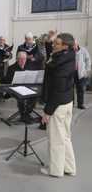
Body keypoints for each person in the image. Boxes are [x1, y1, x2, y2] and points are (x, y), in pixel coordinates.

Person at [41, 33, 76, 178]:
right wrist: (50, 40)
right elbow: (52, 55)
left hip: (58, 104)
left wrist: (48, 112)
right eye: (54, 43)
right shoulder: (68, 55)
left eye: (57, 43)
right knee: (65, 137)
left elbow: (57, 89)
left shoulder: (60, 65)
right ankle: (69, 168)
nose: (53, 45)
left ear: (65, 46)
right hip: (67, 102)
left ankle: (55, 171)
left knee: (56, 139)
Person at [4, 52, 37, 122]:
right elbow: (7, 81)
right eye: (20, 59)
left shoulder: (29, 67)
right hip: (15, 89)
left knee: (34, 96)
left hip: (27, 88)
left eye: (24, 59)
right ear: (17, 59)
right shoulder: (11, 68)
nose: (22, 61)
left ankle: (27, 113)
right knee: (21, 97)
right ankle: (23, 115)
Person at [73, 40, 91, 109]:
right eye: (72, 45)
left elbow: (88, 60)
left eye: (74, 44)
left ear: (77, 44)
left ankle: (80, 104)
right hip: (72, 72)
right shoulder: (70, 51)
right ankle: (72, 103)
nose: (73, 46)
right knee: (70, 89)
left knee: (80, 89)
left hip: (81, 72)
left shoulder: (83, 50)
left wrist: (87, 70)